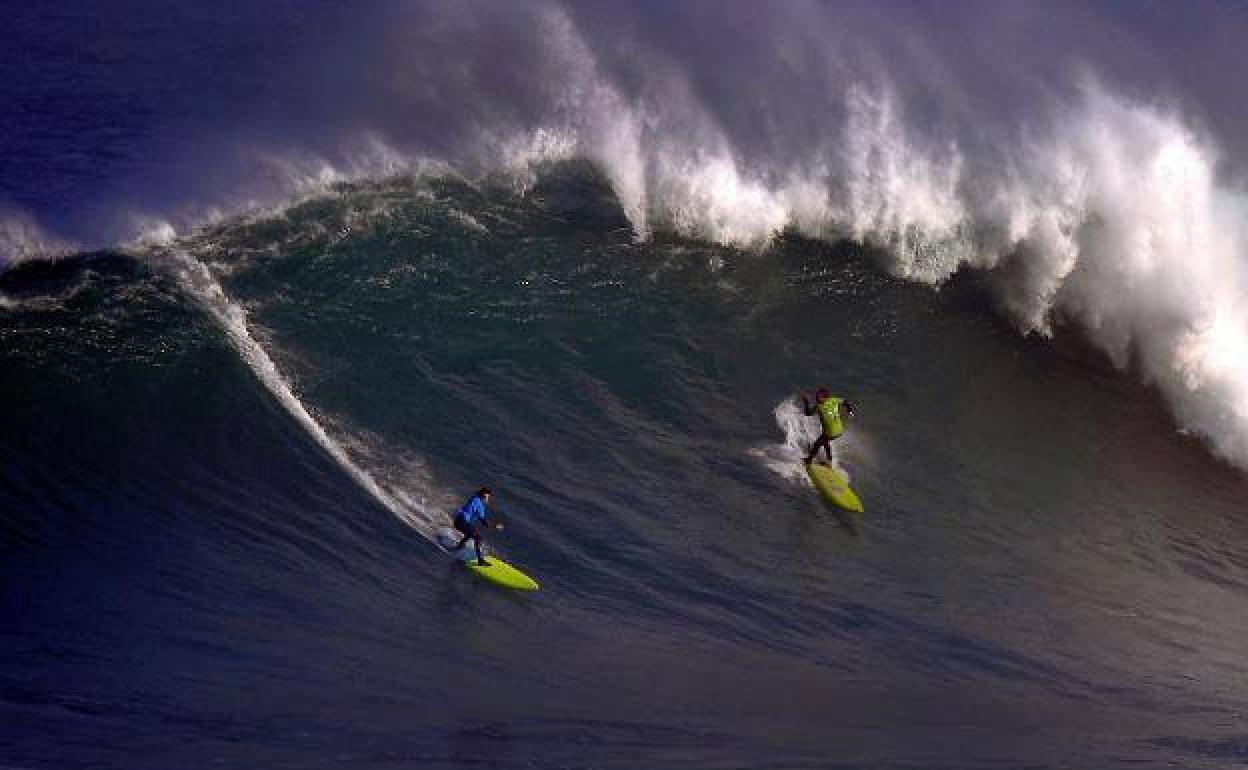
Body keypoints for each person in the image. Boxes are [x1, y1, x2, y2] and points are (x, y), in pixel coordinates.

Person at [799, 388, 855, 465]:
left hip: (831, 432)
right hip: (839, 430)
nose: (816, 398)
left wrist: (806, 402)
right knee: (825, 441)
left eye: (818, 397)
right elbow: (846, 401)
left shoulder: (819, 406)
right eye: (816, 396)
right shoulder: (834, 400)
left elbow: (808, 413)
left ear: (825, 397)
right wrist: (850, 411)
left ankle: (808, 461)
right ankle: (829, 459)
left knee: (817, 444)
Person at [450, 487, 504, 566]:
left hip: (458, 521)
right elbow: (484, 523)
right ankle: (480, 561)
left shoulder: (474, 498)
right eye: (487, 497)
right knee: (478, 538)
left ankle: (459, 547)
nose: (488, 499)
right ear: (484, 496)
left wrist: (483, 494)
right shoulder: (480, 506)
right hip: (462, 521)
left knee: (471, 532)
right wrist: (495, 526)